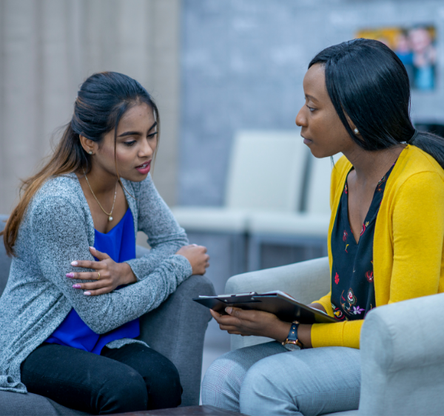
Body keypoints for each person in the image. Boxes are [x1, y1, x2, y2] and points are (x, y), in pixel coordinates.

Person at [201, 38, 444, 416]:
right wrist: (289, 312)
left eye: (312, 107)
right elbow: (349, 292)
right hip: (357, 340)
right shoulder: (343, 172)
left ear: (357, 117)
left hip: (398, 361)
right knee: (222, 376)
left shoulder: (419, 185)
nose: (300, 117)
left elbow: (398, 330)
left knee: (266, 386)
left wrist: (287, 331)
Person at [0, 71, 210, 414]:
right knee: (121, 388)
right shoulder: (59, 205)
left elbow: (173, 240)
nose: (146, 151)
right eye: (130, 141)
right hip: (38, 340)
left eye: (151, 135)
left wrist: (127, 271)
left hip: (102, 340)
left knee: (164, 380)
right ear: (89, 143)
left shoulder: (133, 178)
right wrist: (177, 268)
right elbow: (101, 314)